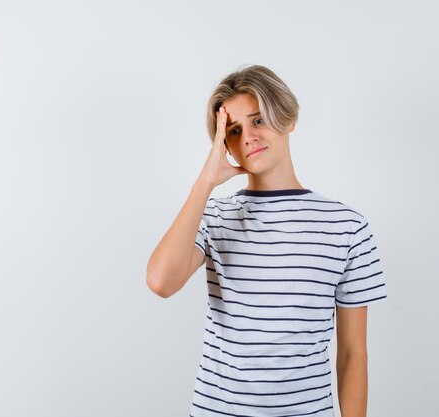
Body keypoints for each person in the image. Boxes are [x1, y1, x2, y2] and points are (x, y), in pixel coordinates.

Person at [146, 64, 387, 417]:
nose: (248, 137)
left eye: (258, 121)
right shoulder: (213, 217)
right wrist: (205, 183)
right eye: (233, 130)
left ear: (288, 118)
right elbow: (161, 282)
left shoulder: (346, 226)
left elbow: (353, 352)